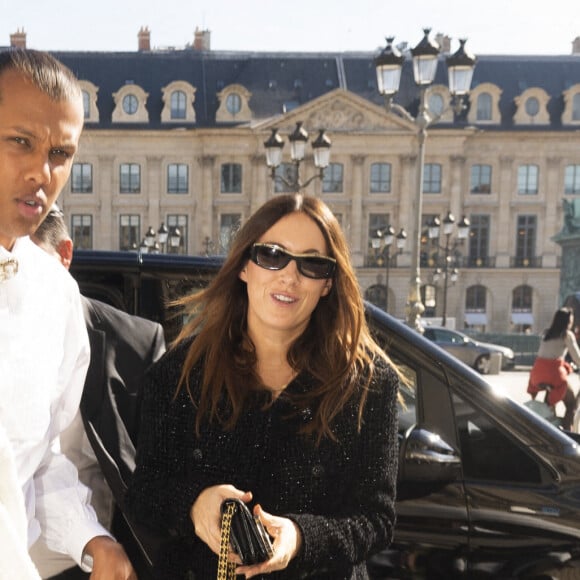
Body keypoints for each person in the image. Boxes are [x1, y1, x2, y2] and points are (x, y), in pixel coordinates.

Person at [125, 193, 401, 579]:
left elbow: (376, 518)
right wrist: (195, 505)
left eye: (312, 264)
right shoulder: (181, 373)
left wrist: (301, 537)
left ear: (327, 284)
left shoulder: (367, 384)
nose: (289, 275)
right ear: (243, 266)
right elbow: (144, 493)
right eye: (272, 255)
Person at [0, 49, 135, 579]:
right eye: (20, 142)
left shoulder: (55, 295)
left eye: (61, 151)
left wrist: (93, 539)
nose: (42, 171)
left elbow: (33, 462)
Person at [30, 206, 167, 578]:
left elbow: (157, 481)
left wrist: (99, 545)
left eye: (28, 263)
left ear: (65, 256)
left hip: (91, 567)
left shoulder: (136, 345)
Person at [528, 307, 580, 430]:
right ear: (567, 321)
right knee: (571, 404)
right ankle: (568, 434)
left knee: (550, 402)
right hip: (554, 374)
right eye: (571, 320)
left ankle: (550, 428)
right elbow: (577, 357)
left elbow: (545, 354)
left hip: (537, 373)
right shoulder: (566, 334)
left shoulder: (547, 333)